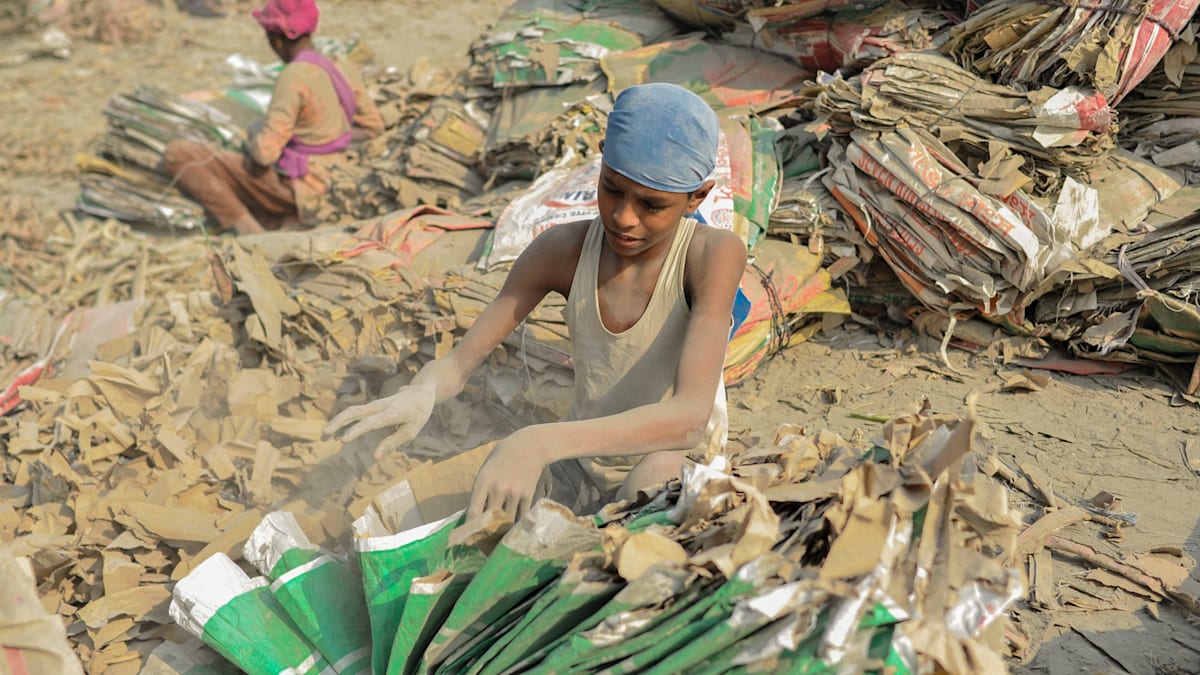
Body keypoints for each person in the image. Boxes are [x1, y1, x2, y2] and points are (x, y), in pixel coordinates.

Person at [326, 83, 746, 518]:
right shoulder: (560, 251)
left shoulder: (711, 255)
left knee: (650, 485)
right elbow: (458, 364)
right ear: (600, 162)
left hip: (673, 463)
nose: (624, 217)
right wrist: (422, 392)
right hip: (577, 462)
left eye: (652, 205)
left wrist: (537, 441)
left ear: (697, 197)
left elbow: (690, 417)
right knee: (470, 512)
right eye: (612, 189)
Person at [162, 0, 383, 235]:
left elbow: (264, 155)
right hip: (338, 180)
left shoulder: (294, 76)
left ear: (275, 39)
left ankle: (248, 230)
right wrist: (330, 140)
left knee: (179, 153)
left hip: (302, 189)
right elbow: (373, 128)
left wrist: (255, 134)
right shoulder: (341, 66)